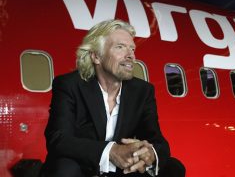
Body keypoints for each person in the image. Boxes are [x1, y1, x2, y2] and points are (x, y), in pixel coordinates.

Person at [40, 19, 185, 177]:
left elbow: (158, 141)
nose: (130, 55)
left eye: (132, 49)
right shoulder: (69, 85)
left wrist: (149, 154)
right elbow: (59, 139)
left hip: (123, 170)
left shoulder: (143, 91)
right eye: (120, 47)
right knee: (64, 168)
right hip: (85, 167)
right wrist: (111, 151)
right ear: (96, 57)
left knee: (173, 167)